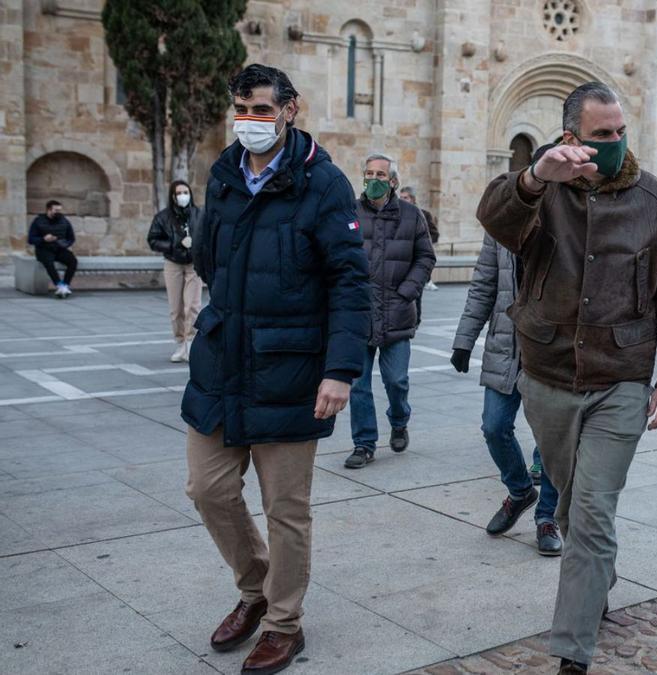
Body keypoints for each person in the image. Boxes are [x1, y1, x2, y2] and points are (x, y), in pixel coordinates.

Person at [476, 81, 657, 674]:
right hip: (547, 375)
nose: (614, 142)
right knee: (576, 508)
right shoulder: (540, 190)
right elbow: (494, 220)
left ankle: (571, 656)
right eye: (601, 134)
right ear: (571, 135)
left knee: (593, 512)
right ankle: (596, 577)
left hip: (621, 379)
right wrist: (533, 177)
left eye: (619, 132)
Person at [182, 64, 369, 675]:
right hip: (223, 362)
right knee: (207, 489)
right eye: (242, 110)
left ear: (291, 109)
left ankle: (283, 625)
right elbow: (210, 259)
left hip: (290, 371)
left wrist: (340, 370)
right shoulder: (224, 174)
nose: (250, 122)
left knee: (286, 510)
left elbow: (349, 283)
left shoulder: (325, 184)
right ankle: (255, 589)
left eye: (262, 110)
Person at [451, 234, 562, 555]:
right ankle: (519, 491)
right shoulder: (502, 222)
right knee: (494, 425)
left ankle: (547, 518)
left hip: (552, 348)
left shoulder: (569, 210)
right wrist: (464, 339)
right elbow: (484, 285)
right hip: (506, 346)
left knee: (551, 440)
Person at [343, 154, 436, 469]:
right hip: (360, 314)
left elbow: (425, 257)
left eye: (380, 174)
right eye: (368, 173)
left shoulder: (411, 216)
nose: (373, 179)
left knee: (396, 380)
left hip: (397, 311)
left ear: (392, 180)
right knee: (358, 384)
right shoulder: (350, 213)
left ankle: (399, 420)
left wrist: (407, 290)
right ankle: (364, 443)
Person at [147, 180, 204, 362]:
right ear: (173, 196)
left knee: (193, 306)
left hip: (194, 264)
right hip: (173, 263)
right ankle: (180, 342)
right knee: (176, 308)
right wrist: (174, 244)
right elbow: (153, 240)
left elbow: (208, 235)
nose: (183, 196)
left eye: (185, 192)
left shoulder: (199, 214)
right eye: (179, 193)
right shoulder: (163, 217)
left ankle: (191, 342)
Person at [27, 200, 78, 298]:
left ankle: (65, 285)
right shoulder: (38, 221)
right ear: (48, 210)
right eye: (56, 210)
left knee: (73, 261)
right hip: (43, 249)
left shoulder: (64, 221)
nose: (58, 212)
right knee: (49, 263)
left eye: (60, 210)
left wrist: (65, 244)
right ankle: (59, 285)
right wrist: (43, 239)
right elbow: (31, 239)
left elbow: (71, 238)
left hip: (59, 248)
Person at [399, 185, 441, 292]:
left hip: (416, 261)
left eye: (405, 198)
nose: (402, 200)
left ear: (413, 199)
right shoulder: (396, 214)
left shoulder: (424, 214)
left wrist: (422, 244)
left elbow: (434, 234)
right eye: (401, 198)